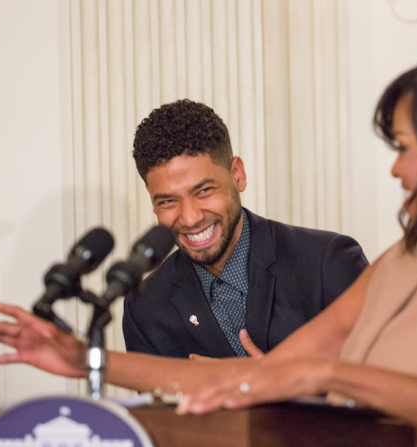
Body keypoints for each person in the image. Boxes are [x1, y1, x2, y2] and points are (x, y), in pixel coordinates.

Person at [0, 46, 417, 447]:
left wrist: (327, 372)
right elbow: (257, 378)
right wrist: (85, 359)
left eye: (404, 145)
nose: (396, 167)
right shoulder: (407, 257)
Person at [122, 99, 368, 357]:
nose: (190, 218)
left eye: (204, 191)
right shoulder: (146, 308)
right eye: (168, 201)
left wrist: (271, 381)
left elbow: (383, 376)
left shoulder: (328, 263)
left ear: (238, 174)